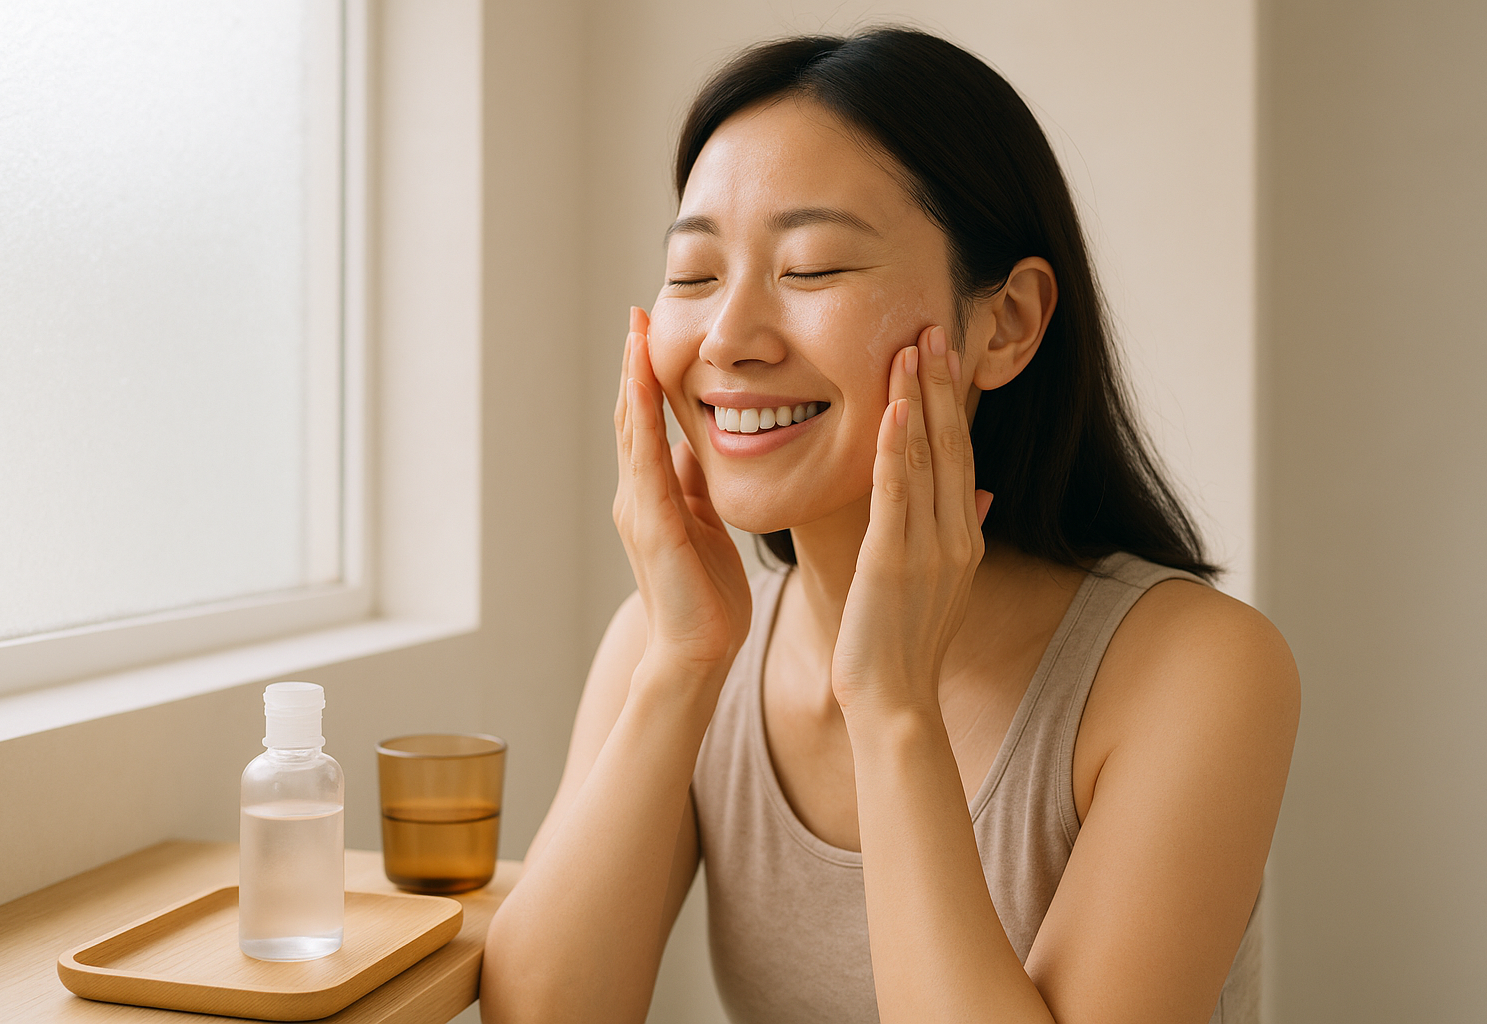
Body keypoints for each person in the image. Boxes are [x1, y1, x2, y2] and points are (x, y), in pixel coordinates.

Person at [481, 27, 1298, 1024]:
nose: (728, 341)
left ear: (1007, 325)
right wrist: (681, 664)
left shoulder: (1199, 671)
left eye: (813, 268)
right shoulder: (670, 645)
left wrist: (891, 706)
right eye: (694, 276)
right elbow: (542, 1014)